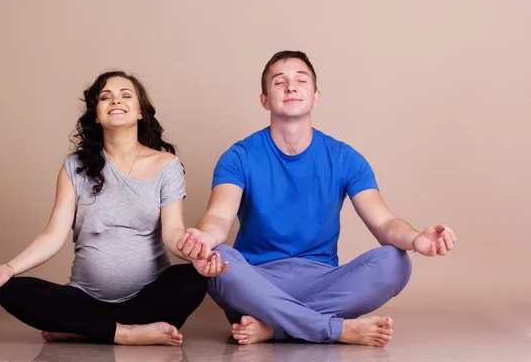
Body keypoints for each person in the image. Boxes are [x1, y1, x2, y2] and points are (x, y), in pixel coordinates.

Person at [176, 51, 458, 347]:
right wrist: (202, 241)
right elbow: (218, 218)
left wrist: (416, 239)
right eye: (279, 82)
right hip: (258, 282)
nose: (291, 87)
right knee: (219, 261)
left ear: (315, 96)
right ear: (264, 100)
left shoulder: (344, 157)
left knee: (396, 262)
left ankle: (277, 328)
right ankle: (334, 329)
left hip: (324, 282)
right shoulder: (239, 156)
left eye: (301, 80)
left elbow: (385, 223)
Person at [0, 70, 228, 346]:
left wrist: (195, 254)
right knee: (11, 291)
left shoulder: (166, 165)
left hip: (148, 298)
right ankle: (125, 333)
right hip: (85, 299)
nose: (116, 101)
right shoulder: (74, 167)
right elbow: (52, 236)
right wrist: (9, 268)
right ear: (96, 114)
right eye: (106, 97)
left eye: (126, 95)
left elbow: (173, 232)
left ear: (140, 111)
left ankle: (85, 329)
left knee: (193, 280)